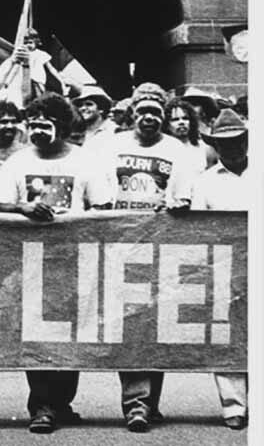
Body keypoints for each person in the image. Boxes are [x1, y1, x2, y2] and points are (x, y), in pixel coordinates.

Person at [0, 94, 113, 433]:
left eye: (46, 125)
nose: (38, 131)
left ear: (63, 126)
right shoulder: (17, 161)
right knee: (37, 334)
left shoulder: (86, 161)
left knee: (71, 335)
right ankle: (40, 405)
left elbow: (102, 208)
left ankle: (61, 403)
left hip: (74, 263)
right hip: (30, 263)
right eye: (34, 125)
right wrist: (22, 209)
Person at [97, 83, 192, 432]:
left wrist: (180, 204)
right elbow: (100, 192)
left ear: (163, 117)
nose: (149, 118)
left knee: (155, 326)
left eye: (156, 113)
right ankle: (136, 403)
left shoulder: (176, 150)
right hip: (121, 247)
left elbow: (183, 194)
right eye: (143, 112)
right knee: (131, 326)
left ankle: (149, 402)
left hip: (160, 247)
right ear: (132, 114)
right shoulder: (112, 146)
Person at [186, 108, 249, 430]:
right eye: (224, 143)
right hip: (224, 269)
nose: (232, 148)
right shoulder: (205, 183)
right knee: (228, 338)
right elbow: (198, 231)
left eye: (237, 141)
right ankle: (233, 406)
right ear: (216, 146)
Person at [163, 98, 215, 172]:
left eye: (185, 118)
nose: (181, 122)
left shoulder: (205, 149)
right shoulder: (163, 149)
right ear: (167, 125)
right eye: (175, 119)